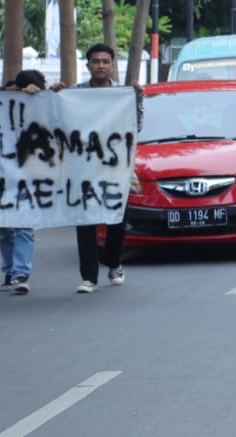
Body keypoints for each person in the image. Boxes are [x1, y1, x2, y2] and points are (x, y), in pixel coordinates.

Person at [70, 44, 142, 294]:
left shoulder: (123, 95)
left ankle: (114, 262)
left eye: (105, 61)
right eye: (95, 61)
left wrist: (138, 99)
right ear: (88, 65)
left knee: (117, 221)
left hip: (115, 169)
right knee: (85, 222)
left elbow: (136, 127)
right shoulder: (74, 94)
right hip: (83, 169)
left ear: (112, 65)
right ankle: (89, 277)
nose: (100, 66)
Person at [0, 71, 45, 294]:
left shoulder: (38, 102)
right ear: (15, 88)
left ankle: (20, 274)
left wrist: (46, 95)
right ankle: (10, 270)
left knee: (23, 226)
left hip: (26, 177)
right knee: (4, 229)